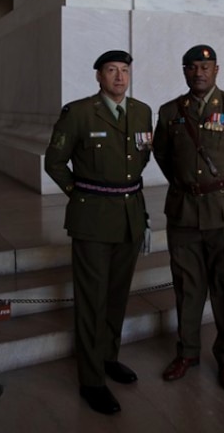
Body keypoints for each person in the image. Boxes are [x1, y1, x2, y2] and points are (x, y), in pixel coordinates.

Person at [152, 44, 224, 391]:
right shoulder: (170, 111)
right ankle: (187, 352)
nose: (199, 72)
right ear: (184, 71)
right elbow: (162, 154)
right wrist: (188, 186)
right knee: (187, 286)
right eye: (192, 67)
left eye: (205, 66)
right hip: (184, 212)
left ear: (216, 70)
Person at [44, 50, 152, 415]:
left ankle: (108, 357)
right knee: (92, 299)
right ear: (98, 77)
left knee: (117, 295)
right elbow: (55, 162)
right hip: (92, 219)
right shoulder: (78, 113)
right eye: (111, 71)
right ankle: (91, 381)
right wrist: (82, 194)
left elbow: (141, 157)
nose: (120, 77)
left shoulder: (141, 112)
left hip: (130, 217)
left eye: (124, 71)